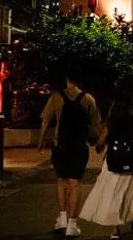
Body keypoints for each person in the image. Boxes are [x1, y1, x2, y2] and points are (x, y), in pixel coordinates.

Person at [80, 84, 133, 239]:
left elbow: (102, 138)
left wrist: (98, 145)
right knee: (132, 192)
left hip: (114, 160)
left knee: (115, 193)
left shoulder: (112, 117)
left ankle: (115, 229)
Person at [38, 66, 102, 237]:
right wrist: (99, 143)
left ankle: (62, 218)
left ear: (67, 79)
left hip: (61, 146)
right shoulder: (88, 99)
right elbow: (96, 125)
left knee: (61, 181)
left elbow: (45, 121)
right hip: (79, 147)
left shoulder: (56, 97)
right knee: (76, 183)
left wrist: (41, 141)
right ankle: (72, 224)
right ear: (80, 80)